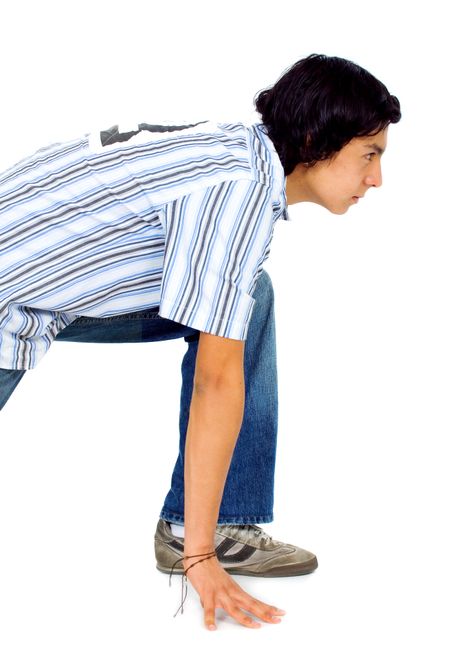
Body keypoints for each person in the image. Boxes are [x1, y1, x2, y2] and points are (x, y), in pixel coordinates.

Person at [0, 54, 401, 630]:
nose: (376, 179)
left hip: (37, 275)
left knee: (247, 297)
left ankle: (208, 520)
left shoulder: (238, 153)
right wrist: (200, 562)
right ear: (315, 139)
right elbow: (218, 380)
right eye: (370, 155)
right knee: (234, 320)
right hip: (11, 295)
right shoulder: (237, 192)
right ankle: (198, 538)